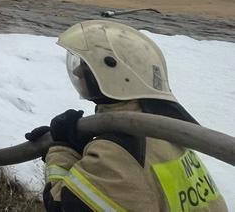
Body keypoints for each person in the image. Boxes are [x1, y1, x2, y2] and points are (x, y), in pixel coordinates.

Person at [27, 20, 227, 211]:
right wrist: (80, 148)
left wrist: (62, 149)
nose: (78, 71)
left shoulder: (120, 151)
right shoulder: (169, 130)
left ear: (117, 75)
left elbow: (61, 205)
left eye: (87, 66)